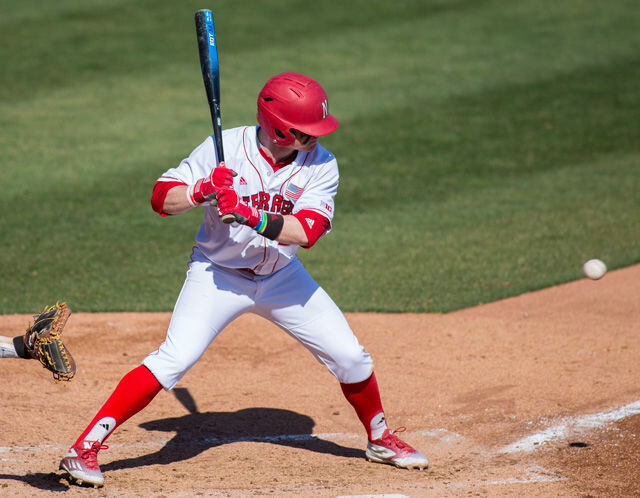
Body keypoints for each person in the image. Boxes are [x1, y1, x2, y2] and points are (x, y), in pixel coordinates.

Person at [59, 72, 428, 487]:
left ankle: (379, 438)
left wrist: (250, 213)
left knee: (351, 357)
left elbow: (306, 232)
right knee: (173, 360)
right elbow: (161, 197)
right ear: (278, 126)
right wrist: (201, 190)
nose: (314, 139)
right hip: (217, 276)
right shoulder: (226, 148)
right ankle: (83, 448)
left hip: (282, 277)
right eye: (305, 132)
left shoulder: (322, 164)